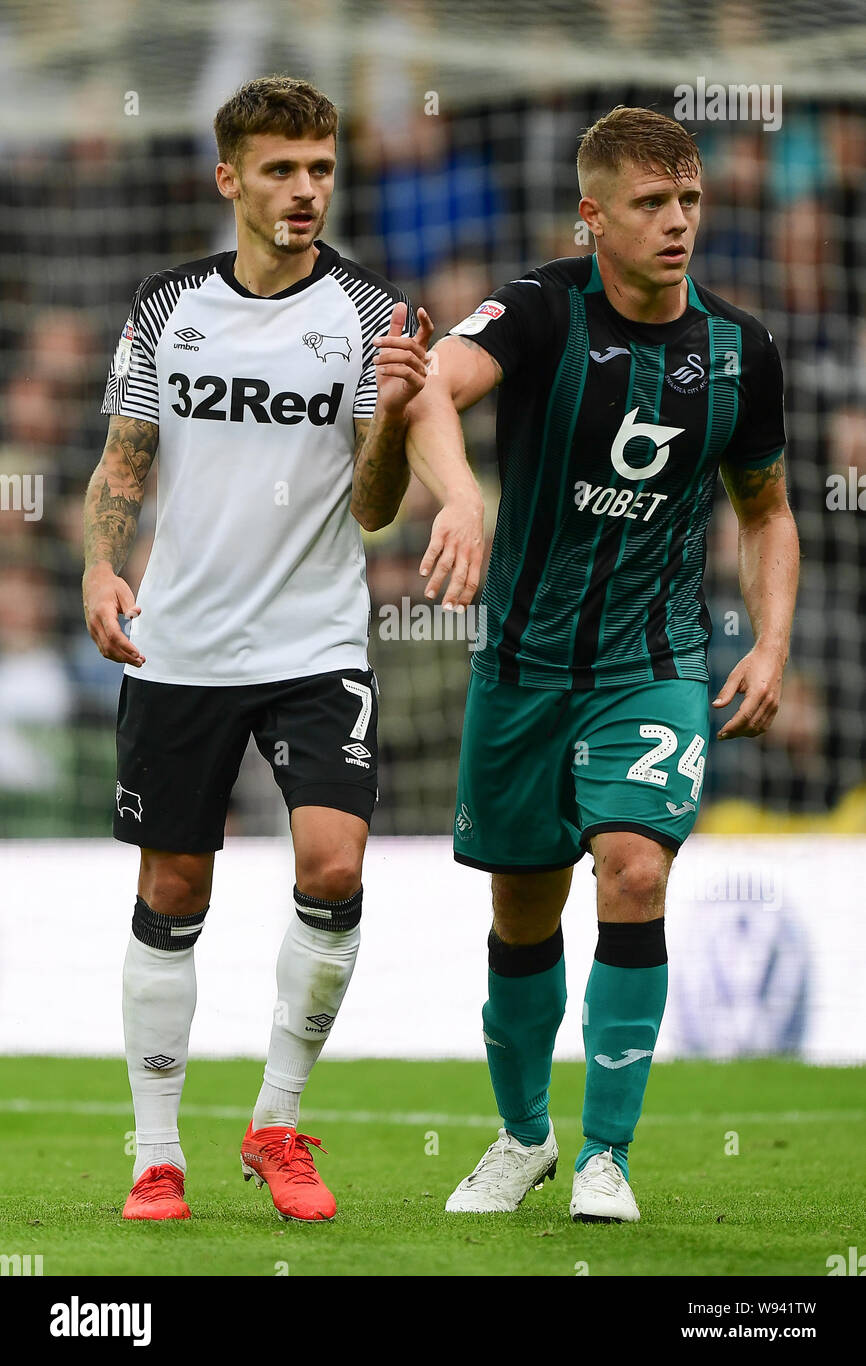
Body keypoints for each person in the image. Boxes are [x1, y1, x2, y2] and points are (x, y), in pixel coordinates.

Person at [405, 105, 799, 1223]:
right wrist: (465, 499)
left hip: (654, 660)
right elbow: (429, 382)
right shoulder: (536, 309)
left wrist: (768, 639)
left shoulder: (740, 350)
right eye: (649, 204)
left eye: (688, 201)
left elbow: (765, 511)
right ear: (592, 218)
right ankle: (523, 1137)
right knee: (524, 905)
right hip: (522, 664)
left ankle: (605, 1157)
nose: (676, 223)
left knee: (631, 866)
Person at [82, 75, 436, 1224]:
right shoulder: (167, 305)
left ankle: (276, 1120)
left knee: (333, 867)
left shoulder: (370, 318)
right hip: (180, 643)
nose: (304, 191)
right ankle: (154, 1153)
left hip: (312, 642)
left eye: (321, 169)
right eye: (281, 170)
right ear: (228, 178)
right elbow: (125, 460)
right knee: (172, 886)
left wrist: (386, 416)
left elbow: (376, 505)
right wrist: (100, 561)